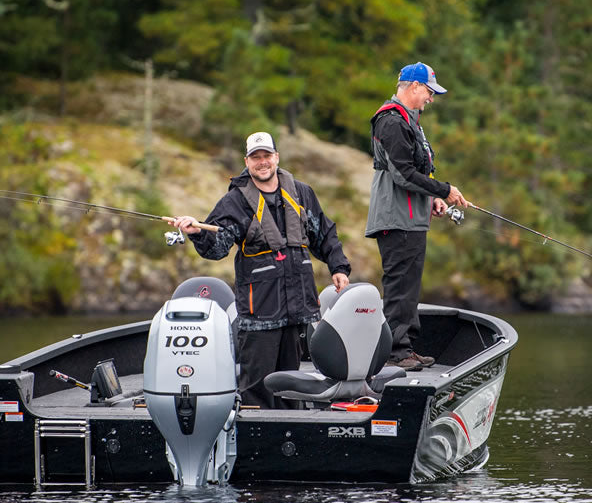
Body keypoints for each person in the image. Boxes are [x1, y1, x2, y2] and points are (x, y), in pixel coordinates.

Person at [171, 131, 351, 407]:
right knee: (257, 391)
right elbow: (216, 248)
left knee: (291, 386)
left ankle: (290, 437)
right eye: (256, 157)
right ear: (247, 161)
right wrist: (197, 232)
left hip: (297, 310)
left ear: (276, 157)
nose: (262, 162)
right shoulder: (234, 202)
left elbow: (324, 233)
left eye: (267, 155)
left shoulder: (301, 192)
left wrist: (338, 266)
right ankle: (256, 445)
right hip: (259, 315)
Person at [365, 62, 469, 371]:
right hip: (396, 219)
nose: (431, 98)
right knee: (400, 287)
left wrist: (433, 197)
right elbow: (403, 174)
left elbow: (413, 173)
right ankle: (396, 353)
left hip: (410, 218)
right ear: (413, 86)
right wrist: (445, 189)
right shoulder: (392, 121)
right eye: (429, 91)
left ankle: (404, 348)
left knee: (409, 287)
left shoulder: (411, 121)